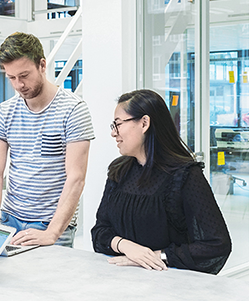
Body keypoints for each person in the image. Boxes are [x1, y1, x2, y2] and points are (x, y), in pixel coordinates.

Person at [91, 89, 232, 274]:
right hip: (119, 280)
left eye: (117, 124)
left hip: (168, 285)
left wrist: (157, 257)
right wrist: (126, 247)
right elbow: (100, 231)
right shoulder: (118, 171)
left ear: (144, 123)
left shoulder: (185, 175)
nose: (113, 133)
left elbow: (217, 244)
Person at [0, 32, 94, 247]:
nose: (18, 85)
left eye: (24, 75)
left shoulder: (73, 110)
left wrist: (52, 233)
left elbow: (76, 178)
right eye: (11, 78)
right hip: (10, 218)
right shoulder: (5, 112)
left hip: (51, 224)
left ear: (42, 65)